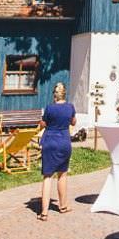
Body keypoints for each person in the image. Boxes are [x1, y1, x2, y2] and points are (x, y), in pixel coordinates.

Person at [38, 82, 76, 219]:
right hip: (64, 143)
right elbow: (73, 122)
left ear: (54, 95)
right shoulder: (70, 107)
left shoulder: (49, 108)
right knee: (62, 175)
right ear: (64, 94)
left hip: (49, 142)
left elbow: (43, 124)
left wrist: (43, 123)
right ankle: (63, 206)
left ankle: (44, 212)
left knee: (48, 176)